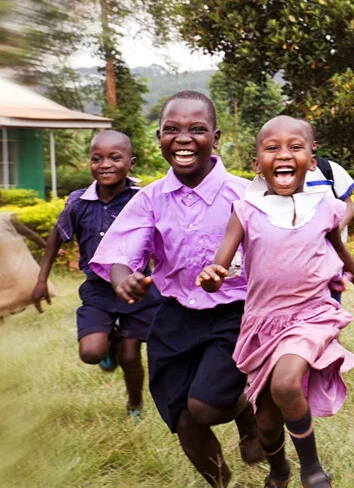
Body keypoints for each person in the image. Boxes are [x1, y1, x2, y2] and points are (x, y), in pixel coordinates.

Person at [89, 91, 264, 486]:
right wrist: (123, 281)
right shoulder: (150, 199)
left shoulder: (245, 195)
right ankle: (221, 483)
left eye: (197, 130)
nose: (183, 138)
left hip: (233, 316)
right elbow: (121, 254)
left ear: (216, 138)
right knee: (182, 417)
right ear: (159, 138)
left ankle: (244, 411)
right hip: (174, 318)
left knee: (203, 407)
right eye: (172, 129)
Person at [197, 115, 354, 488]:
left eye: (296, 147)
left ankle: (313, 470)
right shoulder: (245, 211)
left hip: (311, 315)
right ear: (257, 161)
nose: (284, 154)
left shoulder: (325, 207)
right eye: (271, 147)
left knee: (286, 383)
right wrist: (212, 277)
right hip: (262, 324)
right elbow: (221, 263)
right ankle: (280, 470)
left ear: (312, 159)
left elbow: (339, 250)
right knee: (267, 421)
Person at [32, 131, 161, 420]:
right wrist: (41, 280)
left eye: (115, 158)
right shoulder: (79, 202)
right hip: (97, 291)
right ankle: (109, 341)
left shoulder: (142, 199)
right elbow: (57, 236)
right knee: (91, 353)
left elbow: (164, 239)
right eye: (96, 158)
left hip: (135, 289)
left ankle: (135, 406)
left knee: (130, 356)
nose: (105, 164)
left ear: (131, 162)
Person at [299, 119, 354, 243]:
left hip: (332, 249)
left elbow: (349, 205)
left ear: (314, 145)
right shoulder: (281, 175)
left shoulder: (330, 169)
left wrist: (335, 233)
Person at [0, 211, 50, 319]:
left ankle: (40, 311)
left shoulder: (6, 219)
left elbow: (29, 234)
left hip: (12, 265)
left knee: (27, 287)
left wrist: (47, 247)